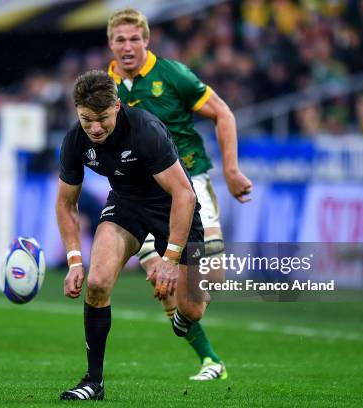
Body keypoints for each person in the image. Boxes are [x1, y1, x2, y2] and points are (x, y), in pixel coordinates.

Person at [106, 8, 253, 380]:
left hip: (192, 184)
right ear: (110, 44)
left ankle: (185, 321)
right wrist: (146, 253)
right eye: (120, 39)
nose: (127, 46)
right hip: (142, 196)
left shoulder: (172, 75)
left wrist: (232, 170)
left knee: (208, 284)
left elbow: (222, 113)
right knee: (166, 283)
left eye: (134, 39)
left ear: (146, 40)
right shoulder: (103, 88)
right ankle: (210, 359)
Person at [57, 70, 207, 400]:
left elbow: (184, 195)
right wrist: (73, 261)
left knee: (193, 311)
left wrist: (170, 260)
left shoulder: (145, 130)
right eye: (86, 119)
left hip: (174, 209)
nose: (94, 128)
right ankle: (93, 382)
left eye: (101, 119)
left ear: (118, 106)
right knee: (96, 283)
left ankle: (171, 289)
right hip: (126, 205)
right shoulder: (75, 141)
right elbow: (66, 203)